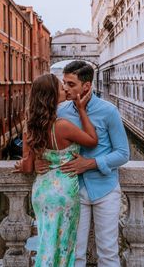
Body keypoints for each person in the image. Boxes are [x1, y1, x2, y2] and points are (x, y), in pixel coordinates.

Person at [36, 61, 130, 267]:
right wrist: (36, 161)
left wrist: (90, 164)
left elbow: (123, 154)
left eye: (71, 84)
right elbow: (43, 139)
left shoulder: (109, 111)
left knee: (108, 253)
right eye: (64, 84)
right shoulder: (60, 112)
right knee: (75, 252)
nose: (66, 89)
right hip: (72, 190)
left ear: (86, 86)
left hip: (105, 189)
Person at [14, 73, 98, 267]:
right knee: (64, 247)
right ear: (51, 96)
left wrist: (28, 164)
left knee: (46, 243)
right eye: (61, 88)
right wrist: (82, 110)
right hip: (64, 193)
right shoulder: (63, 126)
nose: (65, 91)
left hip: (42, 193)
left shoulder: (30, 127)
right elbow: (93, 141)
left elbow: (27, 166)